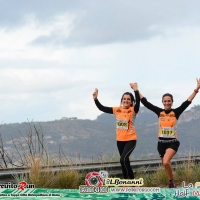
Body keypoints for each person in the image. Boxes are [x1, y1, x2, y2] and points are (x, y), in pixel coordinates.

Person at [133, 78, 200, 188]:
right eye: (165, 101)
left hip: (172, 143)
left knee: (165, 162)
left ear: (172, 102)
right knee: (166, 164)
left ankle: (171, 182)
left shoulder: (176, 112)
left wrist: (197, 89)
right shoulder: (159, 112)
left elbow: (187, 102)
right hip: (161, 143)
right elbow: (145, 102)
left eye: (169, 101)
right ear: (162, 102)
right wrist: (136, 89)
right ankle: (172, 182)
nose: (167, 102)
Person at [93, 83, 140, 179]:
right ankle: (128, 182)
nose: (126, 100)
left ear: (131, 102)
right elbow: (102, 108)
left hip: (131, 139)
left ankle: (132, 182)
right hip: (120, 140)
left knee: (123, 159)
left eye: (128, 99)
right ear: (122, 100)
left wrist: (135, 90)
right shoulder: (117, 109)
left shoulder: (133, 110)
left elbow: (138, 103)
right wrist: (95, 99)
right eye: (124, 99)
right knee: (124, 161)